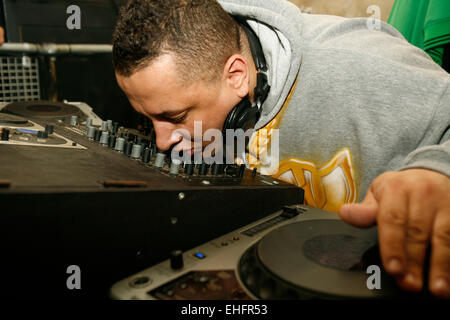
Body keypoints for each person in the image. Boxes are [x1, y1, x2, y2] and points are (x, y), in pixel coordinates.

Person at [111, 0, 450, 298]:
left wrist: (437, 169)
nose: (161, 141)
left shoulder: (364, 67)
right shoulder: (208, 56)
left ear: (237, 76)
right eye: (147, 119)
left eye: (176, 117)